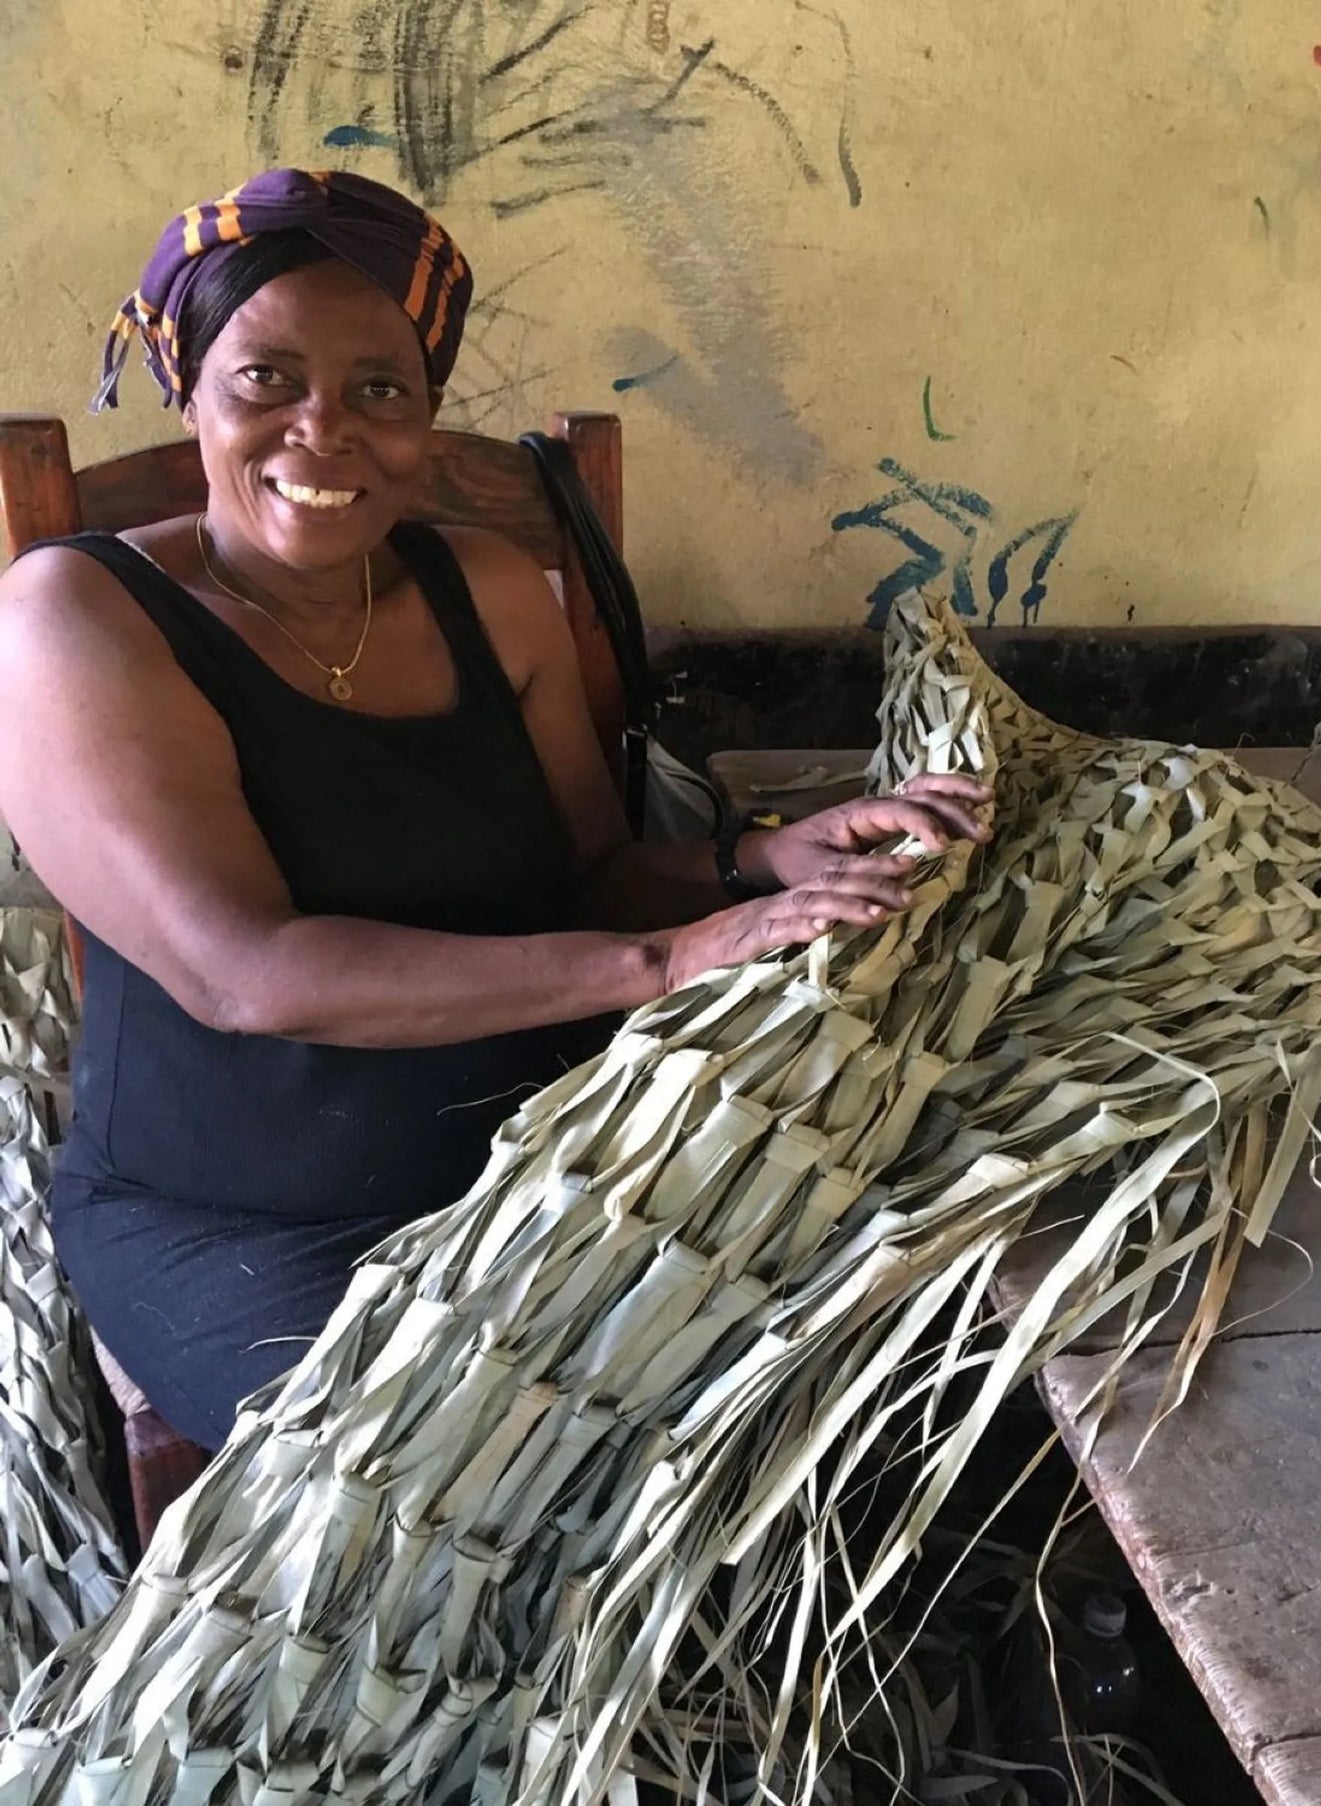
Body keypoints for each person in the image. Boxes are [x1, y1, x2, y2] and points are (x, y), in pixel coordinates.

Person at [0, 170, 992, 1450]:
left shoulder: (491, 587)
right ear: (189, 384)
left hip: (552, 1158)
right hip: (249, 1222)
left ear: (425, 415)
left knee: (859, 1390)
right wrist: (667, 962)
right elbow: (245, 973)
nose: (323, 431)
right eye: (265, 380)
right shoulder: (76, 617)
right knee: (469, 1463)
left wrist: (757, 863)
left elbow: (591, 874)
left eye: (380, 390)